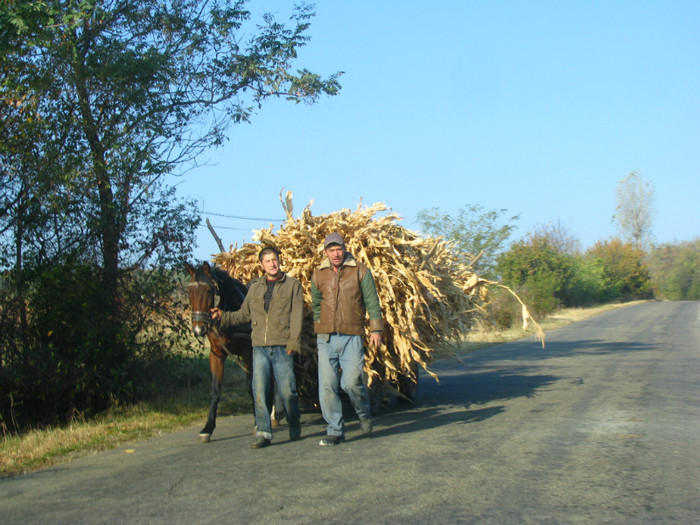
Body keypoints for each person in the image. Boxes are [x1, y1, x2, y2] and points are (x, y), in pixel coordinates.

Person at [211, 246, 303, 449]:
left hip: (282, 346)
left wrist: (293, 342)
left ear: (279, 261)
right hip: (259, 347)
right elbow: (243, 315)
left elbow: (297, 316)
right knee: (259, 390)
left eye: (275, 260)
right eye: (268, 261)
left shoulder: (292, 286)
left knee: (288, 392)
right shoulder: (255, 288)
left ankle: (294, 420)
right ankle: (263, 432)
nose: (272, 263)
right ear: (261, 265)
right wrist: (223, 316)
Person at [311, 232, 384, 446]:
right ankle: (335, 430)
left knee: (351, 382)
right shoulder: (318, 275)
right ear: (325, 252)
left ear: (345, 249)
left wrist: (375, 330)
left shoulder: (360, 271)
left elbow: (372, 301)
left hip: (352, 336)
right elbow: (316, 304)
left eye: (338, 249)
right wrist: (319, 324)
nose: (335, 253)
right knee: (327, 385)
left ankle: (363, 413)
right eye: (331, 250)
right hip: (325, 338)